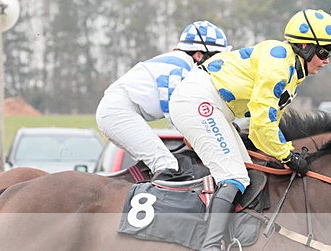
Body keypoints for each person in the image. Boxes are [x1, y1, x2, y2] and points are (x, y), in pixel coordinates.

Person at [169, 9, 331, 251]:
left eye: (330, 54)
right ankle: (209, 248)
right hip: (199, 102)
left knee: (249, 170)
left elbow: (267, 124)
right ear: (306, 47)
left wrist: (284, 152)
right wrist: (287, 155)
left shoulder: (292, 71)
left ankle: (233, 235)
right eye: (323, 52)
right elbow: (262, 122)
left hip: (214, 106)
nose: (326, 60)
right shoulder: (278, 64)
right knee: (233, 176)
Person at [96, 21, 231, 181]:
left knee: (154, 166)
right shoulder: (180, 67)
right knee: (167, 165)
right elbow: (176, 110)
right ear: (198, 54)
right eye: (214, 57)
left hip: (118, 111)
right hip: (118, 113)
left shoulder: (182, 63)